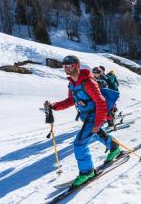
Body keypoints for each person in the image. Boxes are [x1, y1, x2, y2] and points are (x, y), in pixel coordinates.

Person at [46, 55, 121, 187]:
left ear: (77, 66)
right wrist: (55, 106)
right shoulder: (72, 84)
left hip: (94, 116)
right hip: (86, 116)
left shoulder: (88, 83)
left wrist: (98, 123)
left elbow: (101, 103)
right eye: (64, 66)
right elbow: (71, 100)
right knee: (96, 133)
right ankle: (114, 148)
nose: (66, 68)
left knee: (79, 144)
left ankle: (87, 172)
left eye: (70, 65)